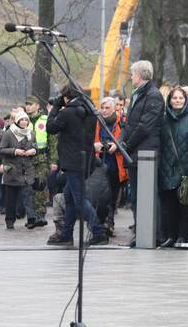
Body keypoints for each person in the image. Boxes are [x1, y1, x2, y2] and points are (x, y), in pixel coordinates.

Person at [46, 85, 108, 246]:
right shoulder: (89, 111)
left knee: (79, 200)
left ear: (66, 96)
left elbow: (50, 128)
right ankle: (66, 234)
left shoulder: (67, 112)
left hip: (72, 162)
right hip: (85, 160)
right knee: (70, 198)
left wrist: (56, 106)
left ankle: (99, 232)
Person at [114, 60, 164, 245]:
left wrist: (125, 144)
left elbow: (144, 127)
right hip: (135, 152)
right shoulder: (137, 95)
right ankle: (140, 232)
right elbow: (130, 124)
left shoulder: (153, 96)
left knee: (147, 195)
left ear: (141, 75)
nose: (131, 77)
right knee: (135, 195)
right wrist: (121, 142)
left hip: (146, 152)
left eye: (133, 73)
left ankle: (153, 234)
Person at [159, 87, 188, 247]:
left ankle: (183, 236)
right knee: (169, 206)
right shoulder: (162, 119)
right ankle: (171, 235)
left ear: (186, 100)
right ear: (169, 100)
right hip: (167, 167)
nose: (177, 101)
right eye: (174, 98)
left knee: (185, 204)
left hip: (187, 166)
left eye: (180, 98)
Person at [0, 109, 38, 230]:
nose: (24, 122)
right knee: (11, 198)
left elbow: (36, 147)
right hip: (13, 170)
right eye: (22, 120)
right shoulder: (9, 133)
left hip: (27, 170)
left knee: (28, 195)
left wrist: (34, 151)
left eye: (26, 119)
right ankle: (10, 220)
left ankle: (31, 219)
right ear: (17, 121)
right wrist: (15, 151)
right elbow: (1, 149)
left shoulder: (31, 133)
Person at [93, 97, 127, 234]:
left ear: (114, 109)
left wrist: (117, 145)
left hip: (116, 164)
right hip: (100, 161)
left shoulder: (122, 122)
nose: (104, 111)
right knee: (101, 194)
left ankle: (109, 221)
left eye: (107, 108)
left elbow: (128, 138)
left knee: (113, 194)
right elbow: (90, 138)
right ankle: (102, 222)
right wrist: (95, 146)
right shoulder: (96, 122)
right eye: (103, 108)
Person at [23, 96, 51, 228]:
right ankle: (31, 217)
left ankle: (40, 215)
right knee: (28, 188)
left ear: (37, 106)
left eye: (31, 104)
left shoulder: (45, 120)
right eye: (26, 104)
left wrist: (54, 160)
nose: (28, 106)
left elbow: (52, 140)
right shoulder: (23, 120)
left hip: (42, 158)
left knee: (40, 186)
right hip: (26, 159)